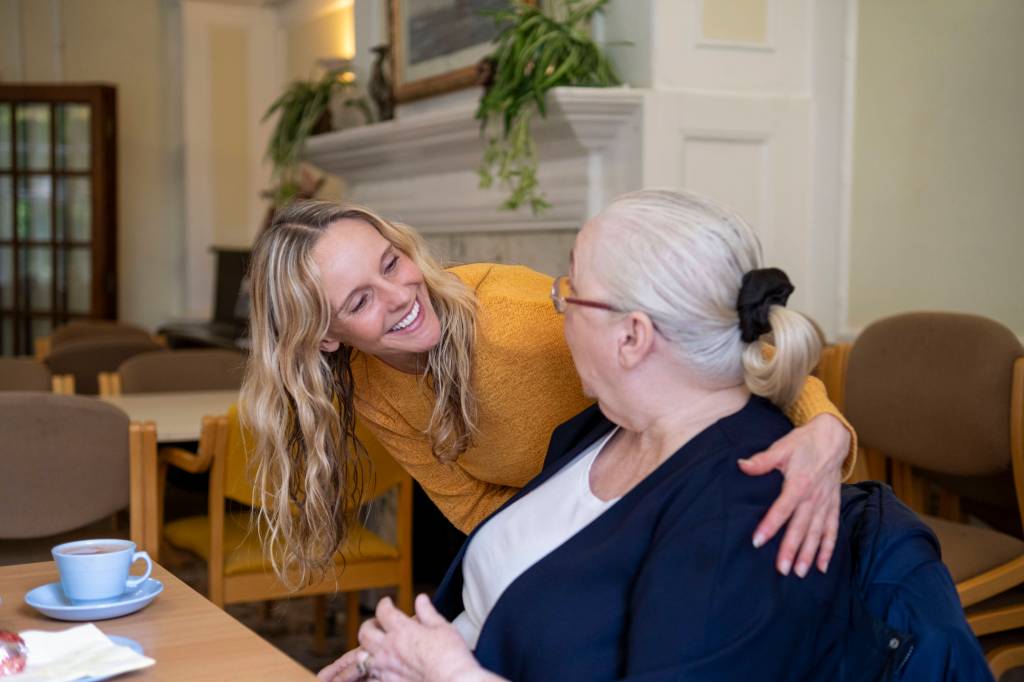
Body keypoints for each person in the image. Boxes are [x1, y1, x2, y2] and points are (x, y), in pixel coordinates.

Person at [319, 190, 990, 682]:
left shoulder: (737, 517)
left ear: (634, 336)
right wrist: (406, 653)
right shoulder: (598, 431)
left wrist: (449, 672)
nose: (554, 307)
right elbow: (523, 563)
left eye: (568, 291)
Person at [241, 200, 857, 590]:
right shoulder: (370, 386)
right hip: (575, 525)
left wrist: (824, 426)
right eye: (359, 300)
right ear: (325, 337)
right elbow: (474, 505)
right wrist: (544, 569)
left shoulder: (510, 317)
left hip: (686, 497)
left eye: (392, 263)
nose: (400, 295)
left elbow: (711, 340)